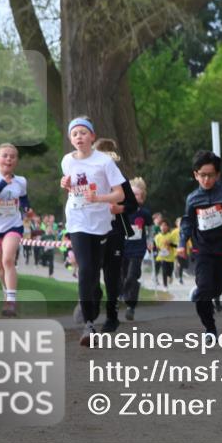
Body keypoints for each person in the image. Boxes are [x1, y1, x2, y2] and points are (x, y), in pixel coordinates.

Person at [60, 117, 127, 346]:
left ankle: (95, 300)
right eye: (74, 134)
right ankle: (89, 325)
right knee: (86, 269)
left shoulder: (104, 162)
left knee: (94, 270)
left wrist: (98, 198)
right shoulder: (67, 161)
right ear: (70, 139)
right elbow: (73, 188)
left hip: (100, 223)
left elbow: (120, 194)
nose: (79, 137)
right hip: (77, 220)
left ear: (92, 136)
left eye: (83, 132)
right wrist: (65, 184)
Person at [180, 150, 222, 338]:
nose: (206, 179)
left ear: (217, 175)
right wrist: (181, 243)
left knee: (215, 289)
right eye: (202, 175)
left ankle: (204, 292)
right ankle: (210, 329)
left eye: (210, 175)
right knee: (204, 290)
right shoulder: (192, 198)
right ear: (196, 175)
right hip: (202, 249)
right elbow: (187, 222)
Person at [0, 143, 35, 317]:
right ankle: (6, 293)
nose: (9, 159)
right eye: (5, 155)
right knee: (1, 269)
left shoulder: (21, 181)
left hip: (13, 225)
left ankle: (11, 302)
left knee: (8, 260)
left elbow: (23, 198)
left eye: (12, 156)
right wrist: (2, 183)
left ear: (16, 161)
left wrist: (27, 208)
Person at [93, 137, 139, 333]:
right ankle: (93, 298)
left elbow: (132, 205)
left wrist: (119, 208)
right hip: (92, 230)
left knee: (112, 274)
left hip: (114, 230)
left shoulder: (119, 179)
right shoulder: (87, 180)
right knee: (90, 270)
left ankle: (112, 315)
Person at [122, 177, 151, 321]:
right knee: (123, 276)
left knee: (132, 276)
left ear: (142, 198)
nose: (134, 197)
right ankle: (124, 294)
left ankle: (130, 306)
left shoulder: (144, 213)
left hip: (137, 250)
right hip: (123, 249)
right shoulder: (122, 211)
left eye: (137, 195)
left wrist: (150, 241)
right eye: (132, 194)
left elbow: (150, 229)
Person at [153, 219, 177, 288]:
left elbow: (176, 245)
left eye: (165, 225)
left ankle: (170, 276)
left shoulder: (171, 236)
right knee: (164, 270)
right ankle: (165, 285)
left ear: (168, 227)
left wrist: (170, 244)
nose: (163, 227)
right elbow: (155, 247)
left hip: (170, 258)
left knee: (169, 272)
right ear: (160, 227)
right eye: (162, 225)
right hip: (161, 257)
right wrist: (154, 248)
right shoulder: (157, 237)